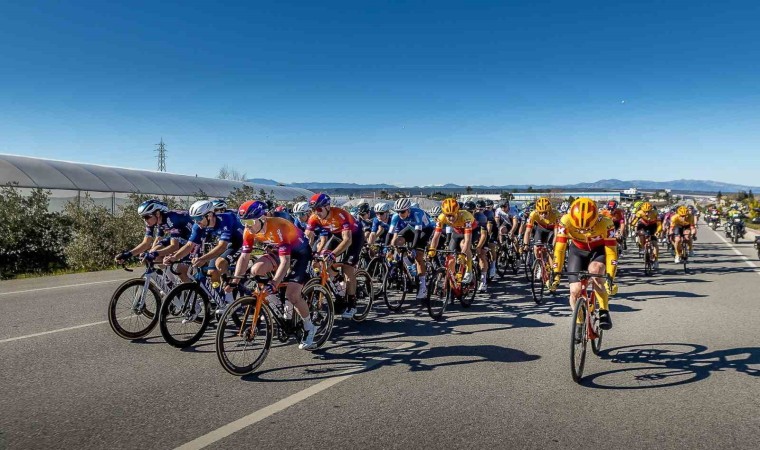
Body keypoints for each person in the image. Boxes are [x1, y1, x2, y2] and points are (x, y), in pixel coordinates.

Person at [227, 200, 317, 350]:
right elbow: (244, 257)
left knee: (292, 294)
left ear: (262, 218)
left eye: (249, 221)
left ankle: (309, 326)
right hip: (278, 250)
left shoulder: (278, 226)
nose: (247, 225)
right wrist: (235, 280)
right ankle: (278, 305)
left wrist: (274, 282)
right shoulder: (249, 230)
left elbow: (285, 261)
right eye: (243, 222)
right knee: (256, 270)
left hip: (300, 253)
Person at [163, 200, 245, 311]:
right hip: (225, 243)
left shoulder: (226, 218)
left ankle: (229, 294)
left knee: (220, 262)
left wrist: (202, 258)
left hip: (240, 242)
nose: (196, 222)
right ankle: (218, 292)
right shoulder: (199, 226)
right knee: (212, 273)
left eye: (198, 219)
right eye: (194, 219)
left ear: (210, 215)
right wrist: (174, 257)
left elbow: (222, 247)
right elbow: (189, 245)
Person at [551, 198, 618, 331]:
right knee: (574, 290)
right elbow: (559, 250)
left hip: (598, 251)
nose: (582, 231)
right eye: (578, 228)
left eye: (587, 227)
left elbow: (611, 253)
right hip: (577, 251)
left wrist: (611, 278)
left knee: (596, 271)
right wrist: (555, 275)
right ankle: (579, 322)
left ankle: (604, 310)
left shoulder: (606, 223)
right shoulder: (565, 220)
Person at [304, 193, 365, 319]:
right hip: (337, 235)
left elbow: (347, 240)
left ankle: (352, 304)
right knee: (321, 261)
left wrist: (333, 254)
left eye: (319, 209)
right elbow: (307, 237)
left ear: (327, 207)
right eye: (313, 209)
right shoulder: (314, 217)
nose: (316, 212)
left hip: (355, 236)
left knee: (347, 268)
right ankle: (339, 282)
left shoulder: (340, 214)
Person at [115, 199, 193, 282]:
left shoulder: (172, 219)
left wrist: (153, 253)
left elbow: (174, 246)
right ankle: (171, 283)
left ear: (157, 213)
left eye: (147, 216)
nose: (145, 220)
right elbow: (146, 243)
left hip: (194, 241)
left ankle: (192, 291)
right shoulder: (155, 221)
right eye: (143, 217)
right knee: (154, 253)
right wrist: (127, 255)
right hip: (182, 238)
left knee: (181, 272)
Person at [387, 198, 435, 299]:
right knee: (397, 242)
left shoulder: (417, 213)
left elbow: (418, 233)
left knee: (418, 255)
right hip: (410, 229)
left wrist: (413, 247)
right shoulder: (396, 216)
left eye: (402, 212)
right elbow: (390, 233)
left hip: (425, 230)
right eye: (398, 212)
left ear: (408, 210)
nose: (400, 214)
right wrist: (387, 246)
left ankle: (423, 287)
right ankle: (409, 265)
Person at [428, 198, 475, 284]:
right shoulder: (441, 217)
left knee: (463, 244)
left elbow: (468, 239)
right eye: (448, 215)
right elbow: (436, 236)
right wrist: (432, 249)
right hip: (457, 231)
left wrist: (463, 254)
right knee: (450, 257)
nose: (450, 218)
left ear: (457, 211)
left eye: (453, 215)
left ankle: (469, 270)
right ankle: (453, 281)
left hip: (472, 230)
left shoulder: (465, 217)